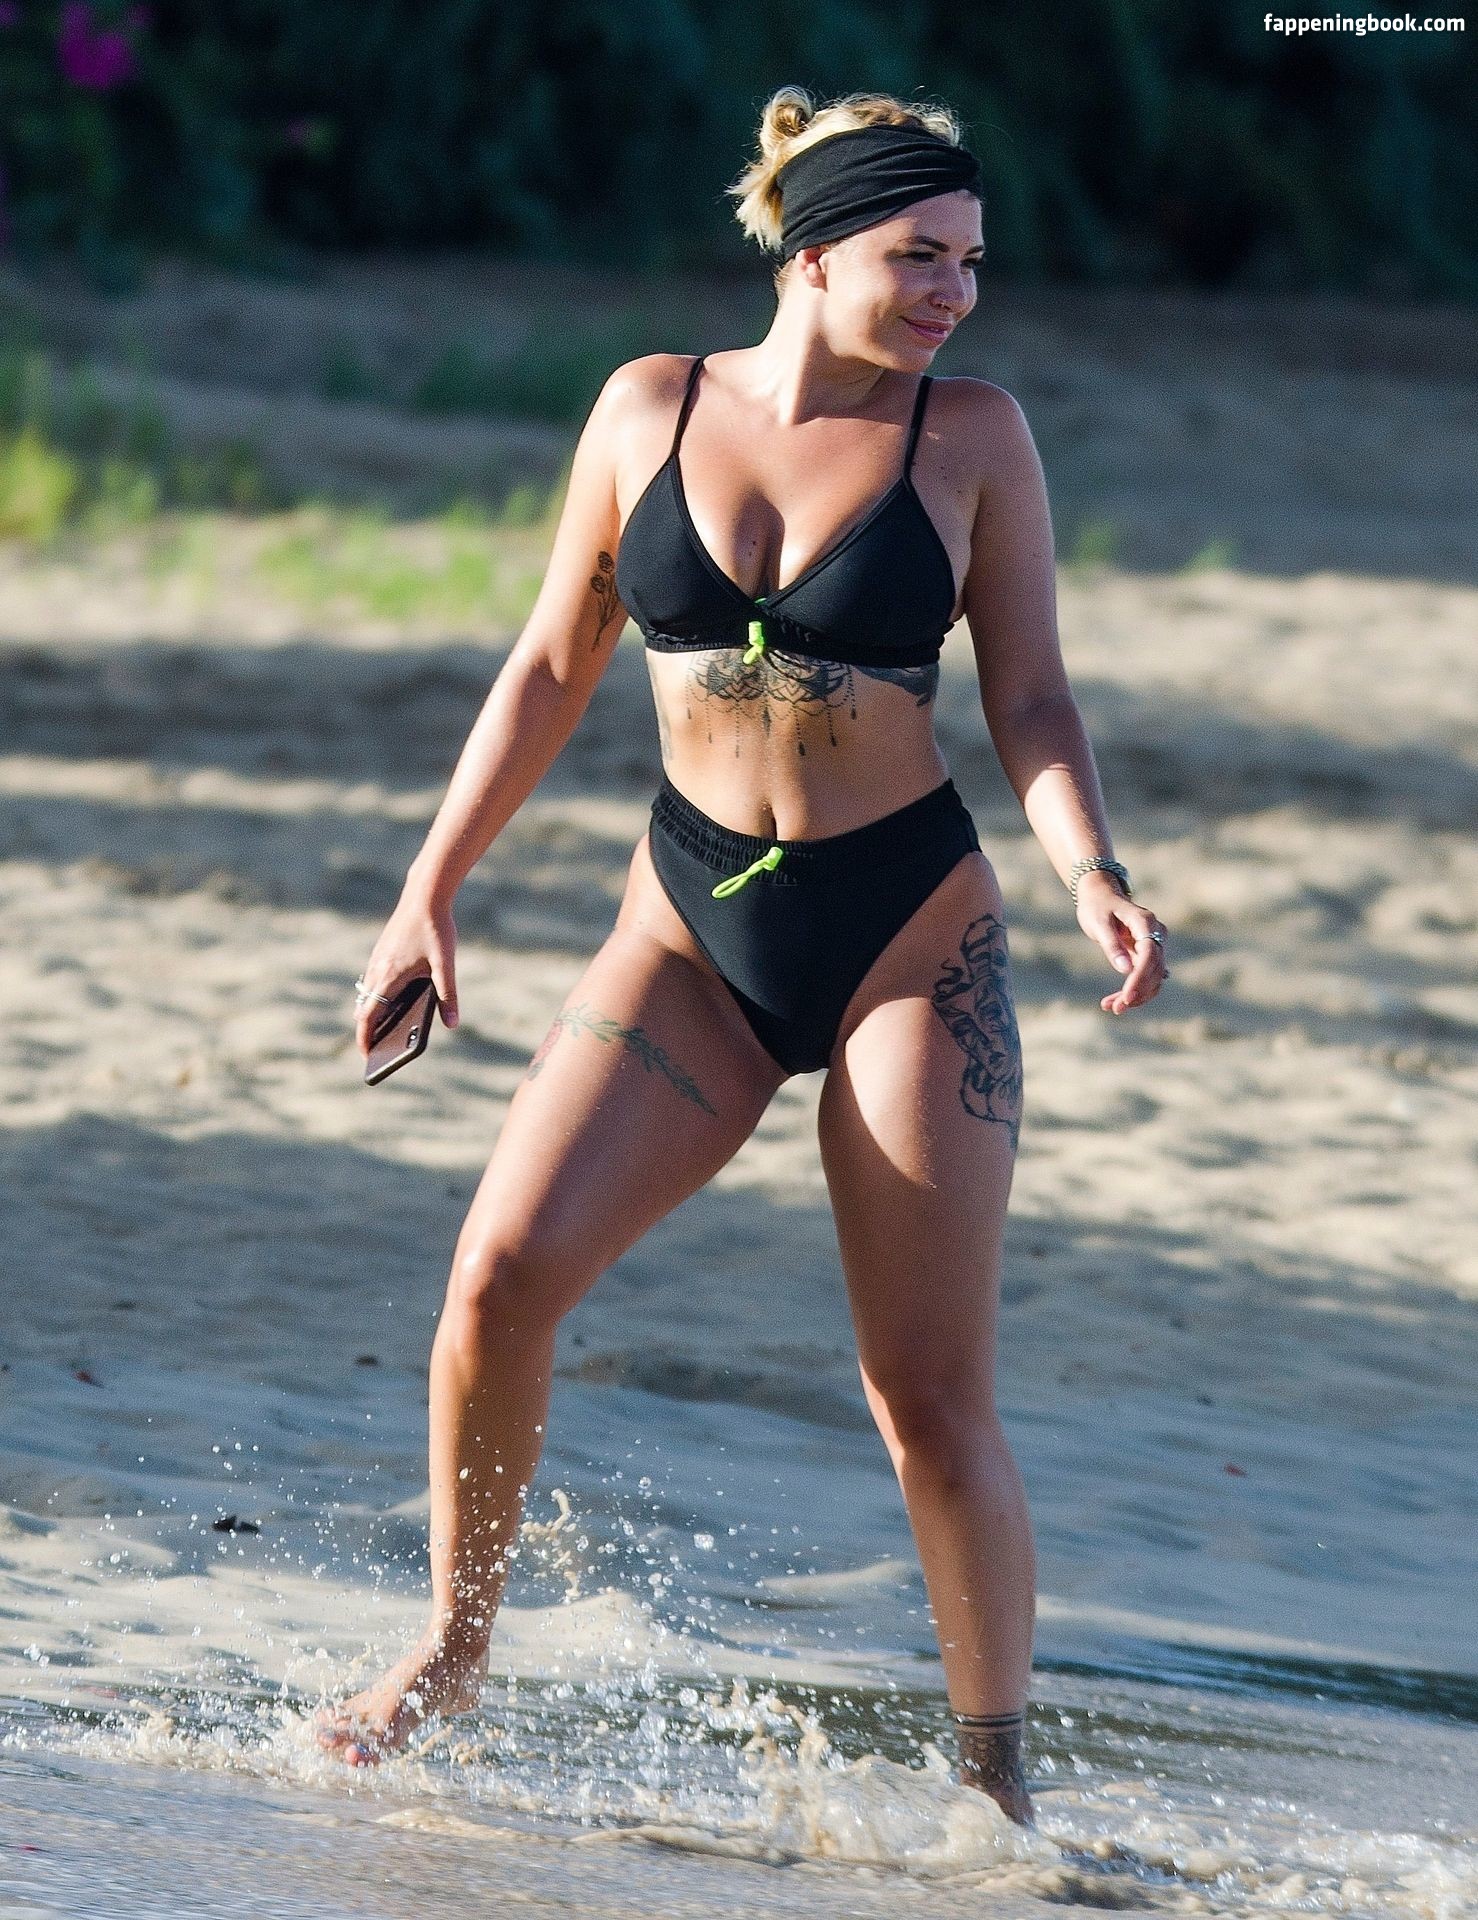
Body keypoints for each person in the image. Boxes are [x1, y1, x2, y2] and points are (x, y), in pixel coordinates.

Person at [315, 85, 1169, 1829]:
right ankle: (452, 1654)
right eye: (917, 256)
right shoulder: (648, 406)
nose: (953, 293)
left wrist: (1091, 868)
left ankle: (996, 1788)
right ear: (812, 251)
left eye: (971, 262)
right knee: (497, 1280)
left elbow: (1030, 696)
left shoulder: (971, 438)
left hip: (905, 936)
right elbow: (550, 661)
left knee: (924, 1394)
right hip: (686, 925)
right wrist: (428, 888)